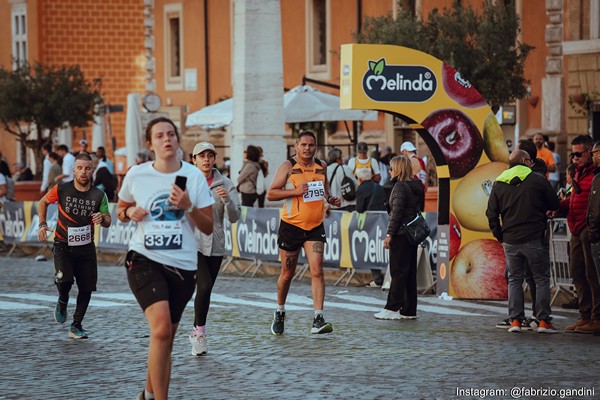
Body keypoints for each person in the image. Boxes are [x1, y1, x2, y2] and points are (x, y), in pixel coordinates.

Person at [117, 117, 214, 400]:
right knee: (160, 330)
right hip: (143, 259)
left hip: (183, 266)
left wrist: (189, 206)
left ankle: (148, 392)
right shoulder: (137, 174)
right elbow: (120, 208)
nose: (167, 139)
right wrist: (128, 213)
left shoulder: (193, 177)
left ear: (177, 139)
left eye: (171, 134)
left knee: (166, 339)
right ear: (150, 144)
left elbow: (208, 226)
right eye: (159, 135)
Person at [267, 130, 341, 335]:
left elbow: (324, 190)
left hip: (315, 227)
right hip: (291, 226)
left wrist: (331, 199)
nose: (308, 148)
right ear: (296, 146)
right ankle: (280, 310)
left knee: (317, 270)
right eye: (304, 145)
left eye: (311, 145)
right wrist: (295, 191)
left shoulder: (321, 166)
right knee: (287, 273)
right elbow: (271, 193)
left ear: (316, 146)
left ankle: (318, 318)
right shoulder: (288, 167)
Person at [37, 153, 112, 339]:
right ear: (73, 170)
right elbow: (43, 202)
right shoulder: (62, 189)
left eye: (87, 168)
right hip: (63, 245)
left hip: (86, 248)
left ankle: (76, 325)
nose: (83, 172)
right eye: (80, 168)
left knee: (86, 288)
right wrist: (42, 224)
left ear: (92, 170)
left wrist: (101, 218)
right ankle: (62, 299)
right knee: (65, 281)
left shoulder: (98, 195)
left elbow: (108, 220)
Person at [486, 150, 560, 333]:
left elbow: (491, 214)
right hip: (534, 236)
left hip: (510, 240)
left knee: (514, 280)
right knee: (541, 278)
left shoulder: (499, 182)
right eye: (529, 160)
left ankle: (516, 321)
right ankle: (543, 321)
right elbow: (555, 204)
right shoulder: (537, 179)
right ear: (523, 161)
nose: (531, 163)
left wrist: (500, 236)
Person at [188, 141, 241, 356]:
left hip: (216, 242)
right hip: (192, 242)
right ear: (194, 160)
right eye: (202, 156)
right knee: (204, 284)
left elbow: (235, 217)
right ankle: (200, 335)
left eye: (210, 155)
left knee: (206, 290)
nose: (206, 159)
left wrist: (228, 201)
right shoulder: (187, 181)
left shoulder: (225, 183)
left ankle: (195, 330)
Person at [553, 135, 600, 334]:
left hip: (588, 228)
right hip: (576, 228)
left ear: (590, 152)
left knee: (592, 274)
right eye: (572, 155)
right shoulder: (579, 173)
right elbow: (573, 199)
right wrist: (556, 208)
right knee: (577, 271)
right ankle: (585, 315)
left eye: (578, 154)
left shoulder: (595, 174)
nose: (575, 158)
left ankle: (597, 317)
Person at [374, 155, 424, 320]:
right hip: (412, 233)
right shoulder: (417, 186)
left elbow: (396, 214)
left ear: (398, 169)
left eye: (391, 168)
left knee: (398, 271)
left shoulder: (399, 187)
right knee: (409, 272)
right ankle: (409, 310)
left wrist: (389, 234)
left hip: (401, 234)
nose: (389, 171)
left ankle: (392, 308)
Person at [355, 167, 387, 288]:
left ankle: (377, 278)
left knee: (371, 249)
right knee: (381, 249)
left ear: (361, 178)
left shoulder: (361, 189)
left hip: (369, 223)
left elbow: (359, 208)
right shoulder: (379, 187)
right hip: (383, 221)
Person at [326, 148, 357, 212]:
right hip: (348, 205)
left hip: (332, 206)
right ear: (338, 159)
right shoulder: (346, 169)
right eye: (341, 157)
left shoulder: (326, 170)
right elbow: (355, 185)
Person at [588, 141, 600, 284]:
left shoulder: (598, 179)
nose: (592, 157)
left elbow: (595, 211)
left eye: (593, 153)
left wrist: (593, 235)